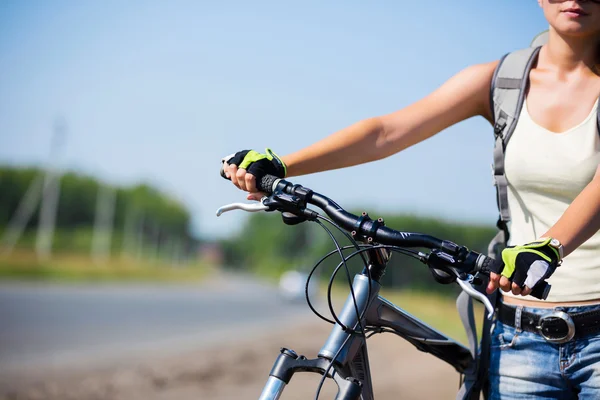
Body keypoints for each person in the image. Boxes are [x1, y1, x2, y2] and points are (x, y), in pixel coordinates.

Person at [221, 1, 600, 398]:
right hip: (519, 335)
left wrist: (550, 248)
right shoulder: (502, 80)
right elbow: (387, 131)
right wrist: (283, 164)